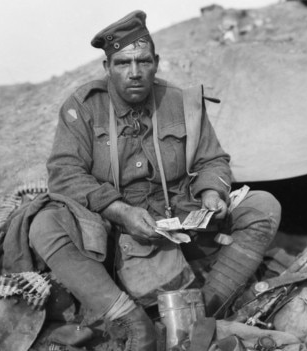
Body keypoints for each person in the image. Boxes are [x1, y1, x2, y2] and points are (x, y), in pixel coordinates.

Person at [27, 10, 281, 351]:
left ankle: (202, 313)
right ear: (107, 68)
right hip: (112, 235)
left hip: (178, 227)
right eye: (122, 63)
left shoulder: (181, 103)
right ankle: (134, 324)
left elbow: (213, 160)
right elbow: (64, 174)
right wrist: (119, 211)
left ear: (156, 62)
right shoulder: (83, 108)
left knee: (263, 206)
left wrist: (211, 193)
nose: (134, 73)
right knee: (45, 225)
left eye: (143, 61)